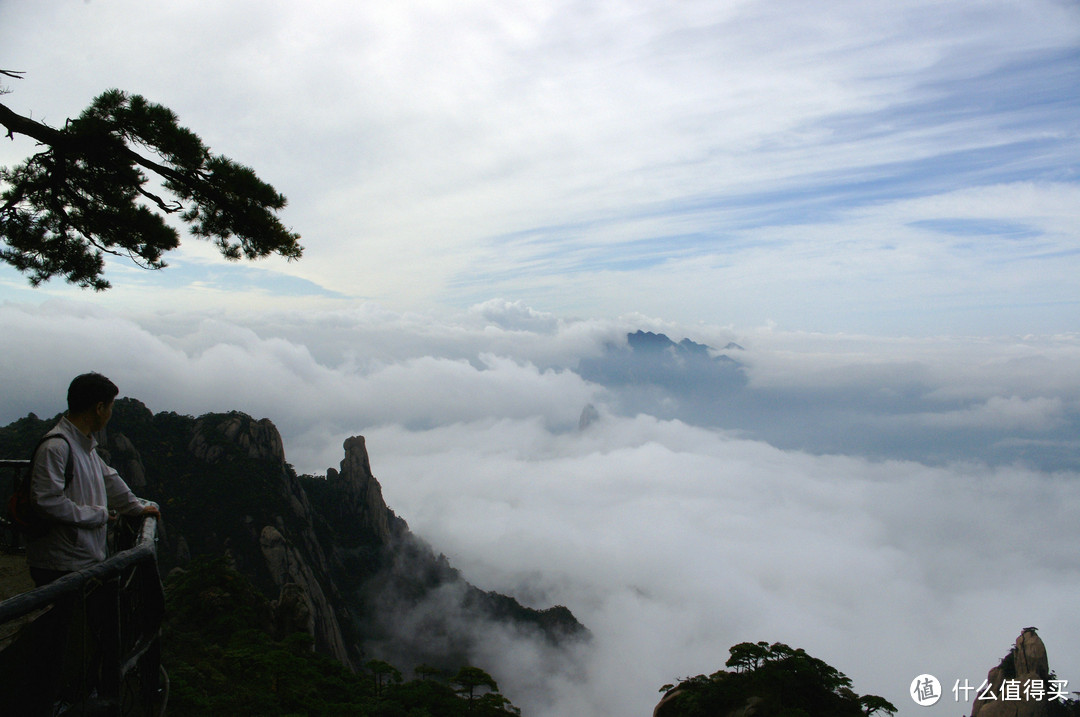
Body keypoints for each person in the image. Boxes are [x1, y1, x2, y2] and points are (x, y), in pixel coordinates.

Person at [26, 372, 160, 587]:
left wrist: (136, 508)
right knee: (67, 620)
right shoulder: (56, 447)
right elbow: (46, 502)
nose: (109, 414)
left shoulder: (84, 445)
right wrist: (99, 515)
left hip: (82, 561)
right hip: (60, 565)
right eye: (110, 408)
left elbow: (109, 478)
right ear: (99, 408)